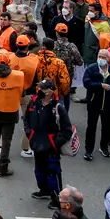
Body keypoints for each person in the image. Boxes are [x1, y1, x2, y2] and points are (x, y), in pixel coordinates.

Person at [25, 78, 72, 209]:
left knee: (53, 172)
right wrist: (30, 135)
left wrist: (53, 144)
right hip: (36, 144)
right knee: (39, 170)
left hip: (50, 148)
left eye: (43, 88)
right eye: (39, 87)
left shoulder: (58, 108)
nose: (39, 90)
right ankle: (44, 190)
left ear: (50, 91)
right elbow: (26, 120)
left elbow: (66, 131)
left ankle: (57, 198)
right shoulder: (33, 102)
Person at [82, 48, 110, 161]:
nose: (101, 59)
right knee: (91, 128)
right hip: (94, 103)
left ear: (108, 59)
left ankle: (103, 147)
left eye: (104, 57)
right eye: (100, 56)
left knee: (106, 127)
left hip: (108, 105)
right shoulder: (91, 69)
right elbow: (86, 82)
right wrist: (100, 85)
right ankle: (88, 150)